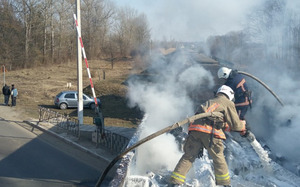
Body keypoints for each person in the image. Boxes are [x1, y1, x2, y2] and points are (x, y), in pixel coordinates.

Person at [169, 85, 246, 187]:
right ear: (230, 95)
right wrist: (243, 125)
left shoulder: (209, 102)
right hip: (210, 133)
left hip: (194, 131)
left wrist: (199, 143)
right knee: (218, 158)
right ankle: (224, 184)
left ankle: (175, 181)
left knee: (188, 156)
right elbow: (235, 125)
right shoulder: (227, 102)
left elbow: (198, 119)